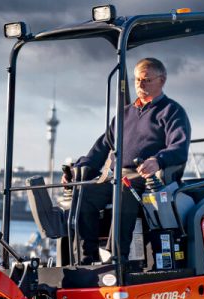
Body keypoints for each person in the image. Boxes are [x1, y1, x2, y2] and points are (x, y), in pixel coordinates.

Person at [65, 58, 191, 264]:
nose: (140, 85)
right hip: (118, 175)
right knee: (84, 193)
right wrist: (78, 170)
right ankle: (85, 259)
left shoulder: (172, 111)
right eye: (137, 80)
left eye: (146, 80)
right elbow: (101, 148)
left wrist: (158, 161)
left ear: (162, 80)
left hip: (147, 177)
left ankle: (117, 259)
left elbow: (179, 148)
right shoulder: (124, 114)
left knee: (123, 190)